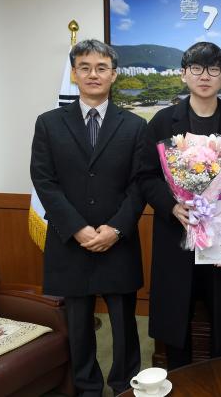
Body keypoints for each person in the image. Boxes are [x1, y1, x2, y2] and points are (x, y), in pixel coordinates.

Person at [30, 39, 145, 396]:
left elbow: (140, 184)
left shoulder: (135, 125)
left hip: (118, 243)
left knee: (124, 327)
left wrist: (116, 228)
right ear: (74, 73)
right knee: (78, 328)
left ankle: (125, 387)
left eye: (101, 68)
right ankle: (87, 389)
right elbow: (44, 181)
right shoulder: (49, 123)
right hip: (70, 244)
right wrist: (78, 228)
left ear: (114, 74)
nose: (93, 74)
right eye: (85, 67)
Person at [138, 42, 221, 369]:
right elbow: (146, 176)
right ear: (183, 75)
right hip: (176, 237)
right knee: (176, 321)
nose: (205, 76)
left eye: (213, 69)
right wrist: (172, 206)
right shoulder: (163, 123)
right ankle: (179, 380)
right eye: (196, 68)